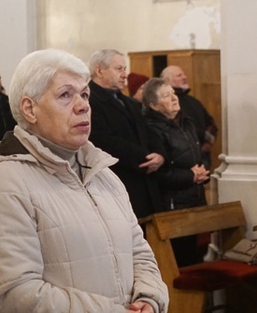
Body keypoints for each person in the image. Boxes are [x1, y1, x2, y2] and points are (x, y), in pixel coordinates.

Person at [0, 49, 169, 313]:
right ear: (29, 109)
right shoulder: (4, 181)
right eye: (65, 95)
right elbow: (17, 294)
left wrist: (149, 303)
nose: (82, 105)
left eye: (85, 94)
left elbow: (139, 252)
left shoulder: (104, 173)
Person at [88, 49, 165, 218]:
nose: (125, 75)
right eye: (119, 69)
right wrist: (145, 158)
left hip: (145, 180)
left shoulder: (128, 102)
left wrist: (159, 154)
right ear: (99, 71)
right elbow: (104, 141)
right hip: (120, 180)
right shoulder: (89, 102)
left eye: (125, 68)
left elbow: (149, 131)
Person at [142, 77, 209, 266]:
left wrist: (203, 172)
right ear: (154, 106)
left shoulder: (185, 122)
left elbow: (196, 154)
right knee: (179, 261)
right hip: (172, 204)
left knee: (195, 259)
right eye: (166, 95)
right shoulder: (152, 129)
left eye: (173, 93)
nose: (174, 98)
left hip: (194, 197)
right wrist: (191, 176)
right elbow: (158, 174)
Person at [161, 65, 218, 168]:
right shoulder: (168, 102)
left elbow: (211, 124)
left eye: (184, 74)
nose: (184, 77)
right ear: (168, 81)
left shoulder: (193, 101)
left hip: (202, 157)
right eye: (179, 75)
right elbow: (178, 128)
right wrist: (201, 137)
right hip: (182, 160)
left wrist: (207, 143)